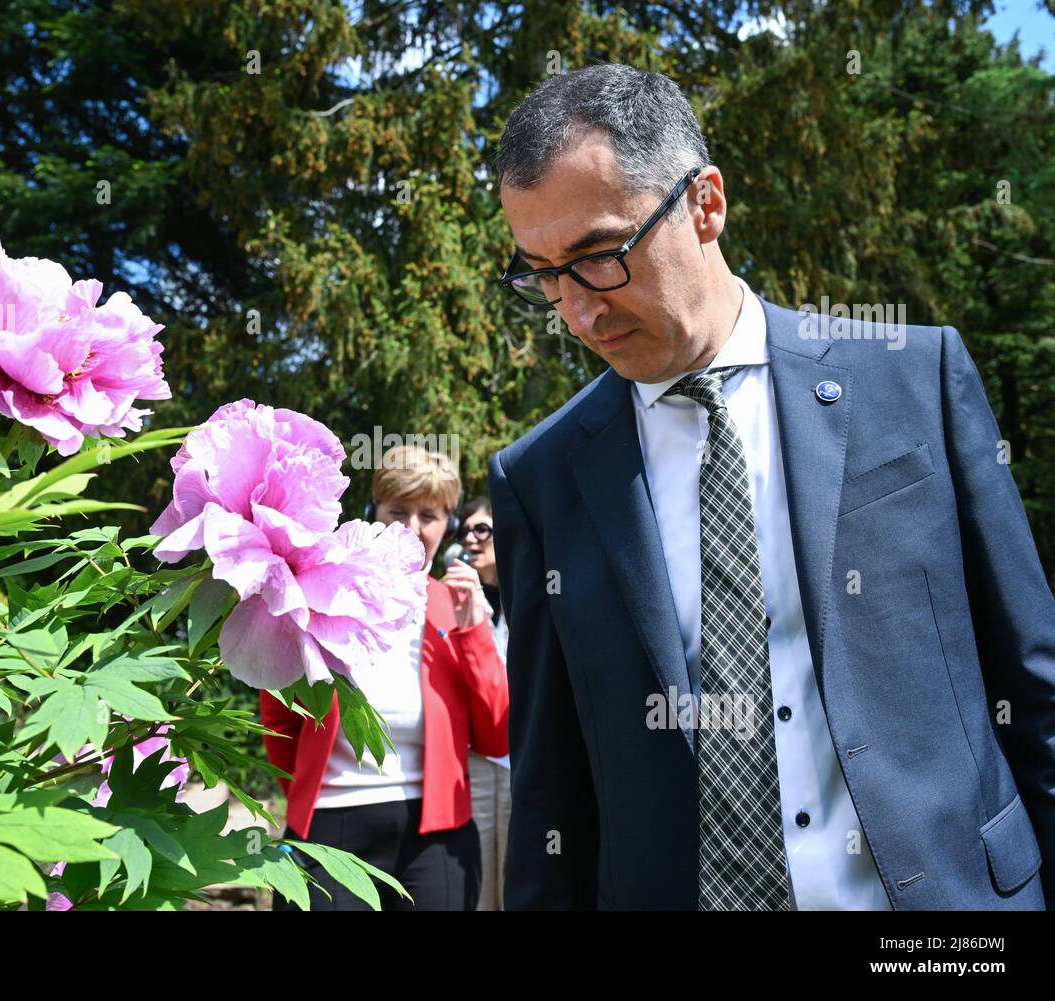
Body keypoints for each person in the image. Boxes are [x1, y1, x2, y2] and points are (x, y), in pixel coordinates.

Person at [487, 62, 1055, 910]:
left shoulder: (913, 378)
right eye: (542, 274)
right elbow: (549, 790)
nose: (577, 312)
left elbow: (1035, 680)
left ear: (705, 204)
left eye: (599, 257)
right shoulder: (539, 475)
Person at [261, 445, 509, 910]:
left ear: (449, 527)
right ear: (371, 513)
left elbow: (497, 737)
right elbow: (278, 711)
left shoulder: (455, 607)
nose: (412, 529)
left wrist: (474, 628)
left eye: (429, 515)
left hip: (436, 835)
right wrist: (305, 790)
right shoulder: (323, 591)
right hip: (328, 826)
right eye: (398, 511)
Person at [458, 496, 513, 911]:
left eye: (483, 529)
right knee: (475, 888)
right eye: (465, 531)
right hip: (473, 760)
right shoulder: (459, 597)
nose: (471, 539)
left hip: (523, 759)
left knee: (516, 880)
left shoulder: (531, 595)